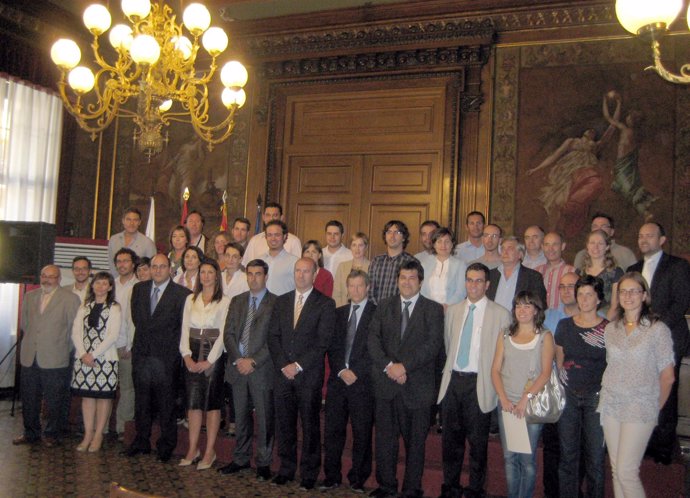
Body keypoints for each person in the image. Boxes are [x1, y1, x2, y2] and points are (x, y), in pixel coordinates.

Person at [367, 259, 444, 498]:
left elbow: (432, 346)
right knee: (385, 441)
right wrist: (391, 366)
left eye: (412, 278)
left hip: (417, 387)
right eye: (403, 278)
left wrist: (404, 368)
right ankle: (386, 485)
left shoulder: (432, 309)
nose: (407, 282)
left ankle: (412, 488)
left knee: (415, 444)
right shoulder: (384, 305)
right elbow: (373, 340)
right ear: (397, 280)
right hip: (386, 385)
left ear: (420, 282)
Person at [437, 263, 511, 498]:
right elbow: (449, 345)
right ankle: (451, 486)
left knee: (477, 445)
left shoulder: (500, 314)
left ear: (487, 285)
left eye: (479, 280)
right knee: (451, 442)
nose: (473, 285)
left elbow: (504, 354)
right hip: (453, 382)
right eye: (470, 280)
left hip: (479, 384)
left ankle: (475, 489)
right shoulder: (454, 311)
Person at [598, 272, 675, 497]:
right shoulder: (611, 329)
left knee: (627, 471)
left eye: (634, 291)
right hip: (611, 403)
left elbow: (668, 375)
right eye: (623, 291)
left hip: (640, 406)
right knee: (616, 470)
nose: (628, 296)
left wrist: (654, 407)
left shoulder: (657, 329)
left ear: (644, 296)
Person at [268, 257, 336, 490]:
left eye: (306, 271)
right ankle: (286, 469)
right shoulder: (282, 301)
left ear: (315, 274)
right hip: (282, 374)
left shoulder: (325, 304)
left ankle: (309, 473)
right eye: (298, 270)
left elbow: (322, 342)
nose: (301, 275)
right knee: (284, 425)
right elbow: (273, 336)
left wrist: (297, 365)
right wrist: (283, 365)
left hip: (308, 376)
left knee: (310, 426)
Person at [628, 222, 690, 464]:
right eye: (641, 235)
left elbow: (680, 303)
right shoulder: (633, 268)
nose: (644, 240)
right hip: (637, 343)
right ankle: (644, 443)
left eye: (650, 236)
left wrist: (653, 330)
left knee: (665, 395)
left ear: (662, 240)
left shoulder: (677, 266)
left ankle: (663, 449)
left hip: (667, 340)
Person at [124, 254, 191, 462]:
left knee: (166, 404)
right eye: (154, 266)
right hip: (142, 354)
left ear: (170, 269)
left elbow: (182, 326)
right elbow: (137, 319)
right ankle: (141, 441)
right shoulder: (139, 289)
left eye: (162, 266)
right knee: (141, 401)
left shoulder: (183, 294)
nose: (158, 270)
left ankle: (166, 445)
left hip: (166, 357)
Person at [491, 291, 555, 498]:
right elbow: (495, 370)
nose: (522, 310)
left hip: (530, 405)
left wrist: (524, 399)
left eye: (528, 306)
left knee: (527, 460)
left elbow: (545, 373)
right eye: (518, 306)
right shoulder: (505, 334)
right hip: (507, 404)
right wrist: (503, 398)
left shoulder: (545, 336)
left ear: (536, 310)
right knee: (510, 457)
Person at [219, 259, 277, 481]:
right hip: (237, 369)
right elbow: (229, 333)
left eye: (258, 274)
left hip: (261, 370)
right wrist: (239, 359)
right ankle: (241, 458)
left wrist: (252, 361)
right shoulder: (237, 301)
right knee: (240, 418)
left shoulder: (276, 303)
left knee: (264, 419)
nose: (253, 278)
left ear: (266, 276)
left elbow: (274, 340)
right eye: (250, 274)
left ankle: (263, 462)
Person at [526, 99, 619, 237]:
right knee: (559, 201)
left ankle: (566, 223)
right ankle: (556, 228)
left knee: (580, 196)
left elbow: (613, 126)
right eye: (589, 128)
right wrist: (537, 168)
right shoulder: (572, 142)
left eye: (594, 130)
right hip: (567, 173)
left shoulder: (596, 146)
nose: (591, 131)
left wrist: (617, 104)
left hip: (585, 174)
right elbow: (554, 155)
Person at [321, 269, 377, 493]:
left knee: (362, 433)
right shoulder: (338, 313)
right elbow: (331, 346)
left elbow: (376, 348)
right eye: (351, 286)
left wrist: (356, 371)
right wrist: (341, 369)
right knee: (333, 431)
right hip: (338, 381)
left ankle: (358, 478)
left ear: (368, 287)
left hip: (362, 383)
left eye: (359, 286)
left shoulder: (377, 313)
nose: (355, 290)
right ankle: (332, 476)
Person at [13, 265, 80, 447]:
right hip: (30, 356)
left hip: (56, 357)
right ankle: (31, 433)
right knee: (29, 398)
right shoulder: (29, 297)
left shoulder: (70, 299)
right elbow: (25, 324)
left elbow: (74, 330)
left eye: (51, 276)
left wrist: (63, 350)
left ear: (58, 279)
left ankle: (52, 434)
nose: (46, 279)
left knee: (55, 399)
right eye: (43, 276)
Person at [555, 275, 607, 498]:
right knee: (567, 456)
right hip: (568, 397)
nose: (584, 299)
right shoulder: (564, 325)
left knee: (595, 458)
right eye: (581, 294)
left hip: (596, 397)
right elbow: (559, 359)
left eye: (589, 294)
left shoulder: (608, 329)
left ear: (598, 299)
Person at [178, 258, 229, 470]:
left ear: (217, 275)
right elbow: (183, 329)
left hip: (213, 355)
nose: (206, 276)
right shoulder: (191, 298)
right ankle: (193, 448)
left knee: (212, 404)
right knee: (193, 404)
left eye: (210, 272)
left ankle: (209, 451)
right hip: (192, 350)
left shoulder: (225, 301)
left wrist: (209, 361)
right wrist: (186, 355)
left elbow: (224, 334)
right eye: (203, 272)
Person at [71, 271, 121, 452]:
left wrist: (94, 355)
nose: (100, 286)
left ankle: (99, 434)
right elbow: (76, 332)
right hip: (83, 359)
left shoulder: (114, 308)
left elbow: (112, 336)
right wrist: (84, 354)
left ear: (109, 287)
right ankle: (88, 434)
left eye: (104, 283)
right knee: (88, 398)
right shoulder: (84, 306)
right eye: (97, 283)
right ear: (92, 286)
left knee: (103, 399)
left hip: (105, 359)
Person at [603, 92, 657, 217]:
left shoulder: (625, 130)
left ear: (632, 120)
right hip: (623, 165)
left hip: (625, 166)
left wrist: (606, 101)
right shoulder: (633, 133)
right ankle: (646, 206)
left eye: (628, 116)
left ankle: (645, 213)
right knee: (623, 188)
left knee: (629, 191)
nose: (626, 118)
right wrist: (618, 102)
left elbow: (608, 117)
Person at [112, 248, 139, 439]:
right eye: (119, 261)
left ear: (133, 263)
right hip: (106, 347)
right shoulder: (108, 285)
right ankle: (104, 427)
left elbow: (135, 320)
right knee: (106, 387)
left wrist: (129, 345)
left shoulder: (139, 287)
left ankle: (123, 428)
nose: (122, 264)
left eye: (126, 261)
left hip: (125, 346)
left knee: (127, 388)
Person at [487, 236, 547, 312]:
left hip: (519, 322)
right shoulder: (489, 275)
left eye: (510, 249)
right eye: (503, 249)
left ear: (520, 254)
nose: (505, 252)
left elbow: (539, 305)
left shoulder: (533, 277)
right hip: (492, 321)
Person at [368, 220, 417, 305]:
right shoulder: (376, 261)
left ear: (404, 237)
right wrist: (379, 310)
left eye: (397, 232)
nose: (392, 236)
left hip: (400, 313)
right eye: (389, 232)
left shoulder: (412, 262)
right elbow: (369, 291)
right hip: (376, 312)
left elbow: (412, 291)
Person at [576, 230, 623, 318]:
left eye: (600, 243)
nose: (596, 247)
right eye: (592, 243)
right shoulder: (579, 272)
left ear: (607, 247)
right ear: (587, 246)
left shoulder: (616, 272)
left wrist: (602, 326)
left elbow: (615, 306)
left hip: (606, 319)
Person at [420, 227, 467, 309]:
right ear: (434, 244)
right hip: (428, 310)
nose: (443, 245)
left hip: (451, 309)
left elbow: (461, 292)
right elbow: (422, 290)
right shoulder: (424, 264)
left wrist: (445, 306)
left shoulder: (460, 265)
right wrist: (432, 307)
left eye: (447, 242)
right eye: (439, 241)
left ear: (452, 244)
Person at [573, 213, 637, 271]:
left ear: (612, 232)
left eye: (603, 226)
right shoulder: (581, 255)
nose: (599, 229)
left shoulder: (625, 253)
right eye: (595, 226)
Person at [107, 207, 156, 277]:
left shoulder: (148, 243)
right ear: (123, 221)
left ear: (139, 222)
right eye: (128, 219)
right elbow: (111, 264)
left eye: (135, 220)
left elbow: (151, 267)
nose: (131, 223)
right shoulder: (113, 240)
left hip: (138, 284)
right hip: (117, 283)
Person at [536, 232, 575, 310]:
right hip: (539, 319)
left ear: (562, 246)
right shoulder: (536, 271)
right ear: (542, 247)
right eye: (547, 245)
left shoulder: (572, 272)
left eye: (555, 244)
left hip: (562, 319)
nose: (550, 249)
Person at [333, 232, 370, 307]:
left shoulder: (372, 266)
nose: (357, 249)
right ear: (350, 247)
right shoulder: (342, 266)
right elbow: (336, 294)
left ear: (366, 247)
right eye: (354, 245)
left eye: (360, 245)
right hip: (343, 309)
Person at [262, 220, 299, 296]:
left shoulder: (295, 262)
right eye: (269, 235)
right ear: (266, 237)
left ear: (284, 236)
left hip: (284, 306)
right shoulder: (259, 260)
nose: (273, 238)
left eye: (277, 235)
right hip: (261, 307)